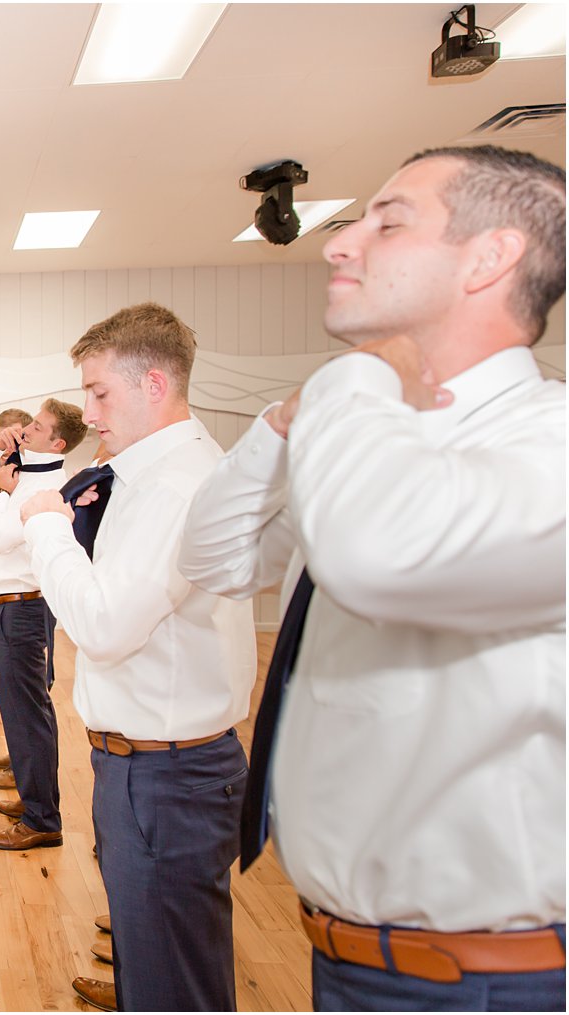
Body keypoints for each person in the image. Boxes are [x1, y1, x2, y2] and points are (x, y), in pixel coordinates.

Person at [179, 145, 566, 1012]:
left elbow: (377, 554)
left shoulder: (548, 442)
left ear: (491, 257)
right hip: (353, 960)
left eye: (390, 222)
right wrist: (284, 422)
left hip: (485, 982)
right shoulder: (372, 439)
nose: (338, 244)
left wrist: (356, 375)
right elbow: (212, 558)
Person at [18, 304, 255, 1012]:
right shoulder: (150, 473)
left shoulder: (175, 486)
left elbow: (104, 622)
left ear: (154, 384)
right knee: (166, 958)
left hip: (166, 774)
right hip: (157, 764)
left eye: (100, 392)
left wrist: (49, 531)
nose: (89, 411)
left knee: (173, 984)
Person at [0, 399, 86, 849]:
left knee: (27, 713)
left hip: (23, 608)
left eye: (37, 426)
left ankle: (42, 819)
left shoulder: (47, 485)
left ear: (59, 442)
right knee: (23, 713)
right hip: (8, 606)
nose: (26, 430)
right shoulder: (21, 471)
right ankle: (37, 799)